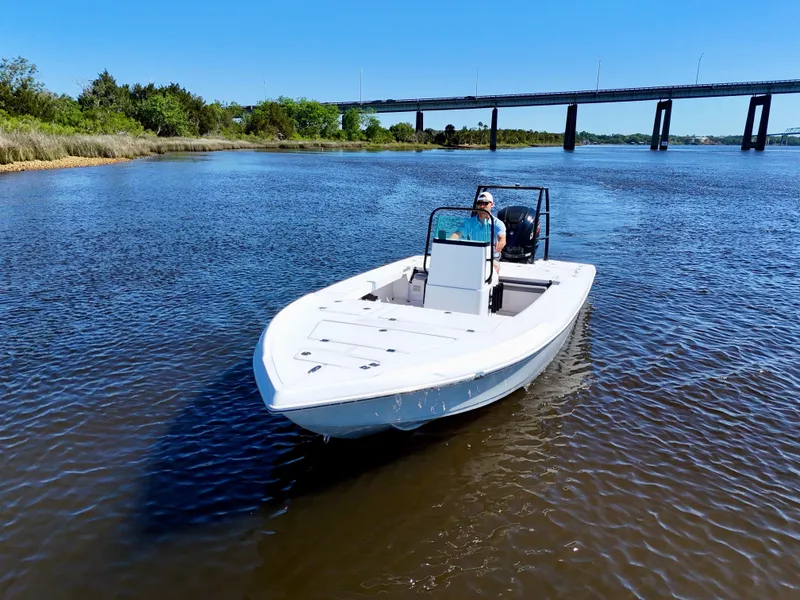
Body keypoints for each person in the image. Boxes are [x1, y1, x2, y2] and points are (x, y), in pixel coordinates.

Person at [450, 191, 506, 274]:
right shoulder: (468, 222)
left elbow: (502, 238)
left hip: (491, 258)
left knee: (491, 270)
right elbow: (457, 234)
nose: (482, 206)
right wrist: (447, 242)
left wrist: (501, 242)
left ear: (492, 204)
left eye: (485, 203)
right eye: (479, 203)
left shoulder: (498, 223)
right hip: (472, 256)